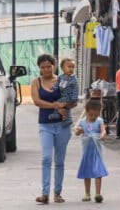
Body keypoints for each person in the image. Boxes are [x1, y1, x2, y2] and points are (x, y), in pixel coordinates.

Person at [31, 54, 75, 204]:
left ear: (54, 66)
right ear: (39, 68)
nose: (46, 70)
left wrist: (64, 105)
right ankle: (45, 193)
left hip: (63, 126)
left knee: (60, 161)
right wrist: (55, 106)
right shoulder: (36, 82)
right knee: (46, 158)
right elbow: (37, 101)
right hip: (45, 125)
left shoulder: (63, 80)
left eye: (48, 66)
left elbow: (73, 101)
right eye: (43, 67)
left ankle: (57, 193)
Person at [74, 99, 108, 203]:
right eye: (91, 115)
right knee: (87, 173)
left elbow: (103, 130)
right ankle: (87, 194)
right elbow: (77, 132)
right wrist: (79, 131)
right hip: (87, 153)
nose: (93, 117)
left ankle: (98, 194)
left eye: (95, 115)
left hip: (96, 152)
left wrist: (102, 135)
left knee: (98, 172)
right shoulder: (83, 122)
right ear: (86, 111)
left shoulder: (99, 121)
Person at [48, 58, 78, 126]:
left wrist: (74, 99)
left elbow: (76, 89)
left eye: (73, 67)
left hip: (69, 97)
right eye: (69, 67)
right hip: (62, 96)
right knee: (57, 103)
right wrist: (53, 88)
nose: (71, 69)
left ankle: (69, 119)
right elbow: (57, 84)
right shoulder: (61, 77)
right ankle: (57, 114)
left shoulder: (73, 79)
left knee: (65, 107)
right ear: (62, 68)